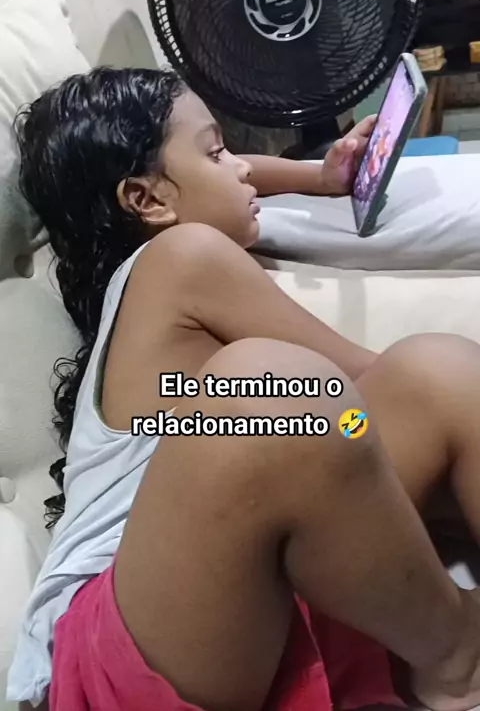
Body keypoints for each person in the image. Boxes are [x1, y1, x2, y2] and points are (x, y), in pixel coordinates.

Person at [7, 67, 480, 711]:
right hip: (119, 652)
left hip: (251, 595)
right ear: (147, 200)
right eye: (217, 152)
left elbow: (353, 420)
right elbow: (355, 385)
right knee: (284, 395)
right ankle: (458, 656)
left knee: (432, 372)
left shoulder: (157, 284)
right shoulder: (183, 259)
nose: (243, 170)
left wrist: (320, 179)